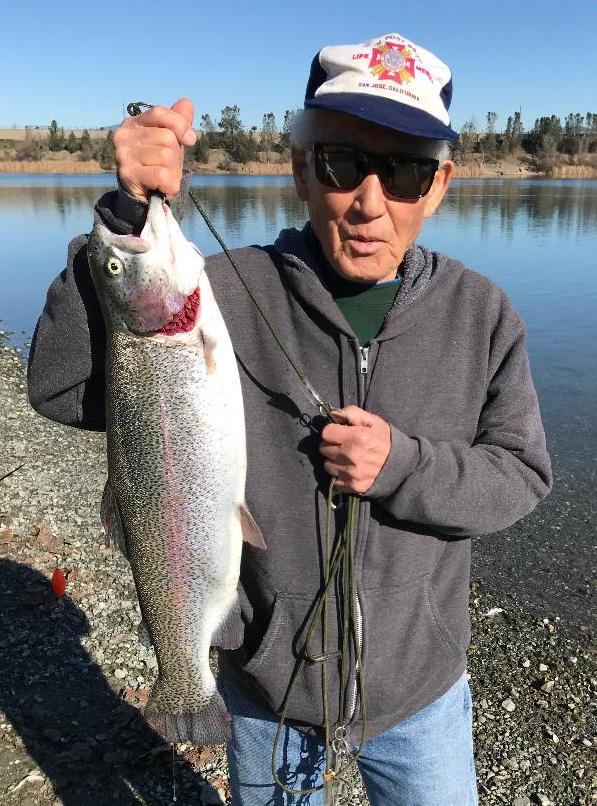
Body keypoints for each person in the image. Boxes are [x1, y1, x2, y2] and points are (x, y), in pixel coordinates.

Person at [28, 32, 551, 806]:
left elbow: (521, 476)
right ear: (301, 169)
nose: (370, 201)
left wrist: (403, 467)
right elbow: (61, 389)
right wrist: (126, 213)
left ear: (439, 184)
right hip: (266, 687)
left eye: (403, 170)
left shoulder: (481, 316)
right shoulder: (222, 291)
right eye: (343, 163)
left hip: (421, 693)